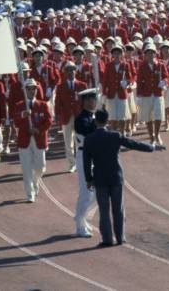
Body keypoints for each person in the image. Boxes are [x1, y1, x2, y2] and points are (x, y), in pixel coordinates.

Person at [83, 109, 165, 247]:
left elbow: (86, 162)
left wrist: (89, 179)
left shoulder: (89, 139)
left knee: (104, 211)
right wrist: (152, 147)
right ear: (108, 121)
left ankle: (107, 239)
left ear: (95, 121)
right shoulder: (115, 136)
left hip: (100, 179)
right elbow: (133, 144)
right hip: (116, 177)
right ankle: (120, 237)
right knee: (118, 209)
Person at [14, 78, 53, 203]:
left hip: (39, 139)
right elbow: (15, 121)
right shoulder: (20, 105)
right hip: (24, 140)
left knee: (41, 167)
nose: (32, 91)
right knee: (26, 169)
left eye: (34, 88)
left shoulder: (42, 105)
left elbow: (49, 121)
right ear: (25, 91)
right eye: (29, 89)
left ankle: (36, 182)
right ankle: (29, 193)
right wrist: (22, 115)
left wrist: (38, 130)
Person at [73, 88, 98, 238]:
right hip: (84, 156)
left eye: (94, 99)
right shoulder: (81, 118)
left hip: (95, 156)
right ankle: (79, 226)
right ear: (84, 102)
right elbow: (88, 133)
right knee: (86, 193)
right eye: (89, 99)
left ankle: (82, 217)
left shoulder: (94, 117)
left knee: (97, 193)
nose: (92, 102)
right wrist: (97, 122)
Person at [54, 61, 86, 173]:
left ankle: (81, 162)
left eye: (72, 69)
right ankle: (72, 164)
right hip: (66, 117)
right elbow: (57, 102)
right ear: (64, 72)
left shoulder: (82, 85)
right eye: (68, 70)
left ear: (75, 71)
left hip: (79, 117)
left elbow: (85, 103)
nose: (70, 72)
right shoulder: (60, 87)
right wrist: (57, 115)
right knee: (68, 142)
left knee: (80, 141)